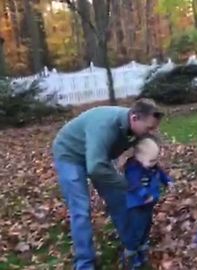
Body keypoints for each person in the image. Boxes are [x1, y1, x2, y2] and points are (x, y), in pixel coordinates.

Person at [51, 98, 163, 270]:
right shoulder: (105, 126)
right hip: (70, 154)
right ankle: (85, 263)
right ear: (134, 118)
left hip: (97, 155)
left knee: (119, 200)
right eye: (149, 128)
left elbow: (146, 151)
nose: (151, 132)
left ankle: (131, 247)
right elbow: (96, 168)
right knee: (81, 209)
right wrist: (129, 185)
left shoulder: (136, 126)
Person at [121, 136, 173, 269]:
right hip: (137, 205)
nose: (154, 163)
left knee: (146, 226)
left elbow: (160, 173)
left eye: (156, 159)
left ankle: (142, 248)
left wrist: (167, 181)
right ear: (138, 156)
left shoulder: (152, 166)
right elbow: (133, 185)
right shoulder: (133, 169)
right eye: (151, 160)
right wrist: (144, 195)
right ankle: (131, 254)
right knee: (136, 229)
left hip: (148, 204)